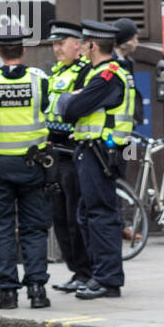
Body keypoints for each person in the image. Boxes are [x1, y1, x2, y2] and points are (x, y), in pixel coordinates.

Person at [55, 20, 133, 300]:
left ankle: (108, 279)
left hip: (100, 153)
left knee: (101, 215)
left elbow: (72, 108)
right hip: (91, 151)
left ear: (92, 45)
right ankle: (96, 275)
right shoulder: (99, 74)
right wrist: (72, 99)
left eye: (86, 44)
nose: (84, 49)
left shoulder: (107, 75)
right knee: (88, 214)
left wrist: (69, 99)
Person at [0, 26, 52, 309]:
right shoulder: (39, 79)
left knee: (2, 228)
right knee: (34, 227)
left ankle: (6, 292)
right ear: (23, 51)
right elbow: (48, 108)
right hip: (33, 164)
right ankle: (37, 290)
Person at [44, 21, 94, 292]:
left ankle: (86, 271)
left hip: (74, 153)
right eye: (54, 43)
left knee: (76, 217)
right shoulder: (54, 73)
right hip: (54, 153)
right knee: (59, 217)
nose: (57, 48)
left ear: (79, 45)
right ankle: (76, 271)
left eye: (61, 43)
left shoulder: (85, 72)